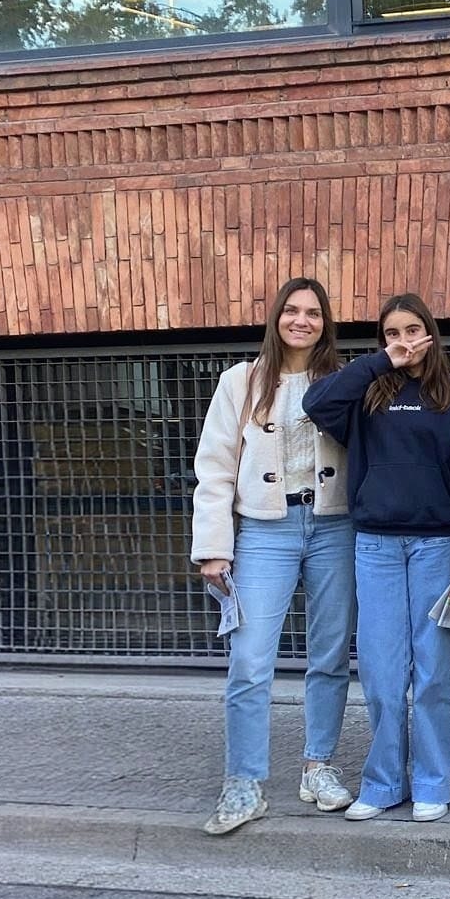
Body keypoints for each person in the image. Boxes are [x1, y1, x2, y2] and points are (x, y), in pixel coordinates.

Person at [303, 293, 450, 823]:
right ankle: (384, 782)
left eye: (412, 331)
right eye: (392, 333)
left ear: (430, 334)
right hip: (376, 546)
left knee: (431, 670)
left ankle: (432, 782)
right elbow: (316, 404)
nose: (404, 341)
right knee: (383, 673)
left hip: (437, 546)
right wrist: (381, 362)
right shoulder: (367, 393)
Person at [191, 277, 356, 835]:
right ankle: (243, 783)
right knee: (249, 660)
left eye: (313, 313)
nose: (301, 321)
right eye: (292, 310)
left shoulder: (341, 379)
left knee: (330, 655)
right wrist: (214, 548)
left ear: (325, 323)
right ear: (276, 318)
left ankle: (319, 767)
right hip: (265, 531)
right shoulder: (241, 380)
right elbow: (215, 466)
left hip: (334, 525)